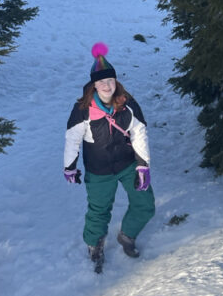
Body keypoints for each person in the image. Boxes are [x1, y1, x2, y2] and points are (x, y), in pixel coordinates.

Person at [64, 42, 155, 272]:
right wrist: (70, 167)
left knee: (145, 204)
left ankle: (127, 235)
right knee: (99, 210)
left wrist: (142, 166)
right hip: (99, 170)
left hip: (127, 164)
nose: (107, 85)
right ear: (94, 84)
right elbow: (73, 138)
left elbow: (139, 132)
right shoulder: (83, 109)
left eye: (110, 81)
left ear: (116, 81)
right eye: (102, 81)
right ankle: (94, 245)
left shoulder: (127, 104)